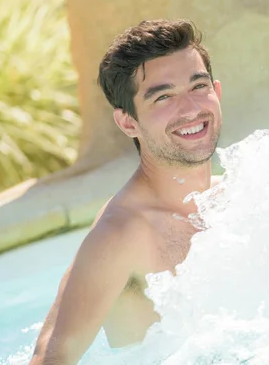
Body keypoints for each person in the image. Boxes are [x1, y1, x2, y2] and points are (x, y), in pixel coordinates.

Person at [30, 19, 223, 364]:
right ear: (127, 122)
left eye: (198, 86)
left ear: (217, 92)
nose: (191, 109)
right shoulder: (120, 235)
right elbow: (50, 356)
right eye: (164, 96)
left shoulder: (243, 198)